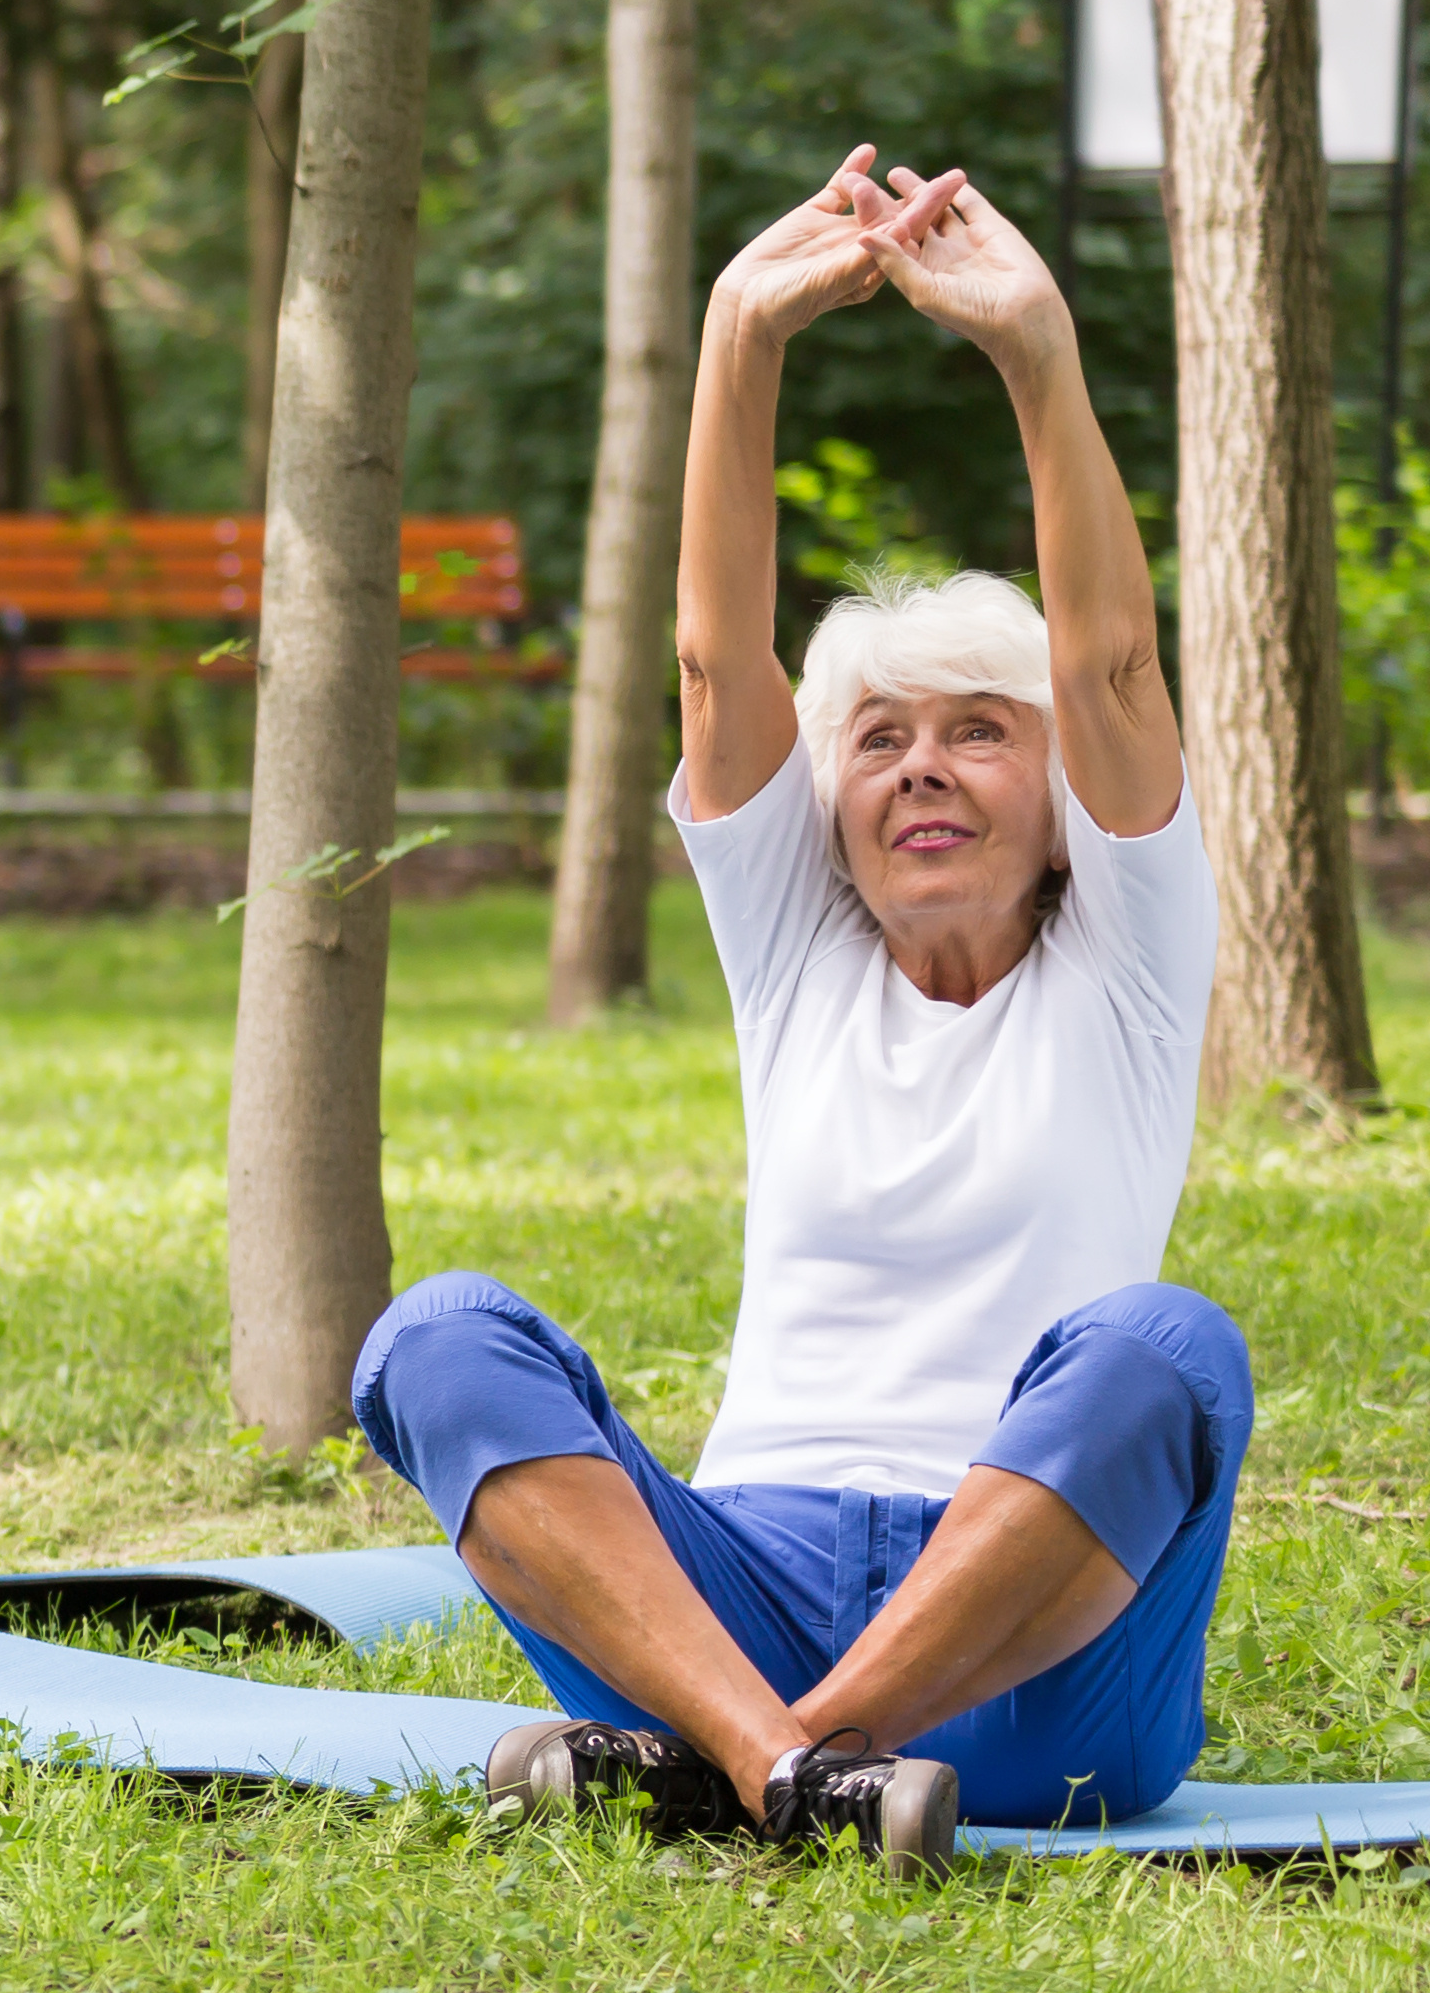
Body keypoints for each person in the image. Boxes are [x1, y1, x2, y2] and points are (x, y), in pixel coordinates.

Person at [354, 152, 1242, 1878]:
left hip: (1041, 1664)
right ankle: (797, 1769)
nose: (922, 765)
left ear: (1066, 794)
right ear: (829, 801)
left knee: (1168, 1350)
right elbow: (713, 666)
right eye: (881, 738)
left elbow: (1114, 666)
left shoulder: (1131, 965)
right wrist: (736, 337)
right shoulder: (795, 953)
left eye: (979, 731)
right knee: (439, 1335)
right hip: (732, 1600)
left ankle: (740, 1765)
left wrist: (1038, 355)